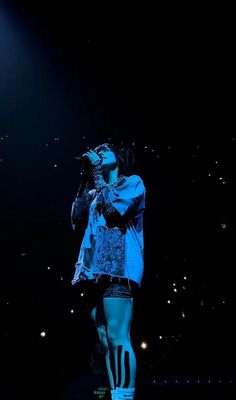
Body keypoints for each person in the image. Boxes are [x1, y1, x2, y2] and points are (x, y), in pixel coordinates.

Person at [70, 143, 146, 400]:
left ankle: (124, 398)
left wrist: (97, 176)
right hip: (93, 271)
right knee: (105, 340)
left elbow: (114, 211)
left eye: (105, 150)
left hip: (118, 267)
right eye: (97, 152)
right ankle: (117, 395)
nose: (99, 153)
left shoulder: (132, 183)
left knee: (118, 335)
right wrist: (86, 177)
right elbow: (77, 219)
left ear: (119, 158)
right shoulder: (95, 189)